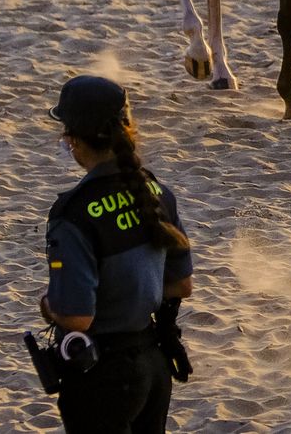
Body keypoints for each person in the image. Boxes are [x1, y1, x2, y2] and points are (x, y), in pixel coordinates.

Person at [40, 75, 194, 433]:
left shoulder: (74, 213)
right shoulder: (156, 191)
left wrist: (49, 307)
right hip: (153, 367)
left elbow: (77, 318)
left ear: (74, 140)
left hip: (103, 378)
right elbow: (181, 284)